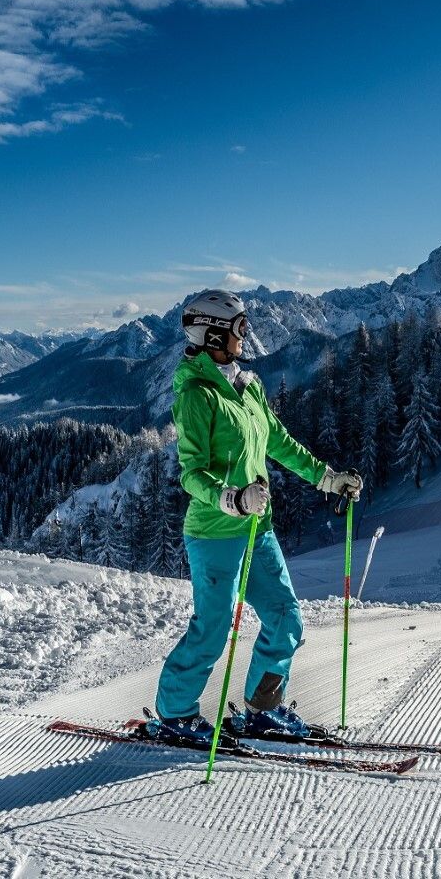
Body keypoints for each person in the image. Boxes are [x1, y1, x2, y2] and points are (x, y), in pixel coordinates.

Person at [152, 290, 363, 745]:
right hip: (214, 532)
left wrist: (328, 478)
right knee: (213, 629)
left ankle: (263, 710)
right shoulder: (197, 395)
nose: (246, 336)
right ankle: (174, 713)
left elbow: (279, 441)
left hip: (256, 529)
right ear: (213, 334)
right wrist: (231, 498)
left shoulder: (248, 386)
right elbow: (191, 474)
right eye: (239, 328)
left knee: (286, 618)